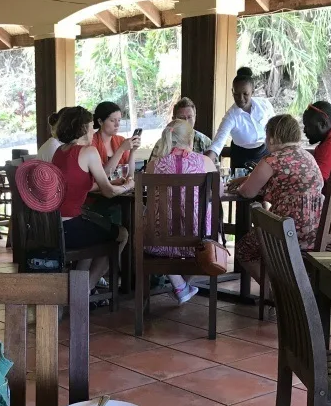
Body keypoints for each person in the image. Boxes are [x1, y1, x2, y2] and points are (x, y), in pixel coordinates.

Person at [228, 114, 324, 284]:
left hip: (285, 230)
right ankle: (291, 290)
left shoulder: (272, 159)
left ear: (273, 137)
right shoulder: (308, 157)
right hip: (315, 231)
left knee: (244, 250)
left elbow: (249, 192)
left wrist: (241, 186)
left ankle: (275, 294)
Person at [52, 106, 133, 290]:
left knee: (94, 232)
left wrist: (114, 183)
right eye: (90, 127)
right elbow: (108, 192)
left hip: (55, 225)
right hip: (70, 227)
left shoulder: (60, 151)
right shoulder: (88, 151)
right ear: (81, 128)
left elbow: (79, 183)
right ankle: (88, 287)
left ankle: (78, 288)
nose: (92, 131)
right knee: (122, 234)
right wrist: (127, 186)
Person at [145, 120, 217, 305]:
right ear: (191, 139)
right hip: (198, 241)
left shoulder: (154, 165)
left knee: (160, 227)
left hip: (156, 241)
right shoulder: (205, 162)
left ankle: (180, 284)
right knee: (201, 229)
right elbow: (219, 192)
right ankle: (182, 285)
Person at [208, 67, 275, 167]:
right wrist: (204, 163)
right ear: (232, 92)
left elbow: (275, 129)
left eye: (245, 94)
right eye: (236, 94)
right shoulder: (231, 116)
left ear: (253, 91)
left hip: (264, 152)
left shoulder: (264, 105)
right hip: (241, 157)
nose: (241, 98)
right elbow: (218, 143)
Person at [147, 97, 215, 169]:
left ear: (195, 117)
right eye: (182, 118)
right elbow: (152, 171)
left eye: (189, 117)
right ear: (174, 119)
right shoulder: (162, 143)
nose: (186, 121)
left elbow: (216, 170)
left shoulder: (205, 141)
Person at [91, 101, 140, 177]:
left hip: (122, 187)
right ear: (100, 121)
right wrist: (121, 149)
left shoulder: (120, 140)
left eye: (119, 120)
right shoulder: (92, 142)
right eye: (112, 120)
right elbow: (103, 175)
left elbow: (130, 174)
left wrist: (132, 151)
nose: (117, 124)